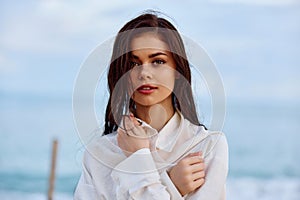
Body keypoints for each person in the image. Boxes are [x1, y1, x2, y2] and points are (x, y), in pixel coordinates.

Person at [74, 11, 228, 200]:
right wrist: (172, 187)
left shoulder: (207, 146)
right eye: (133, 64)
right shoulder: (99, 154)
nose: (144, 73)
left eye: (158, 61)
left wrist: (139, 159)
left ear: (177, 71)